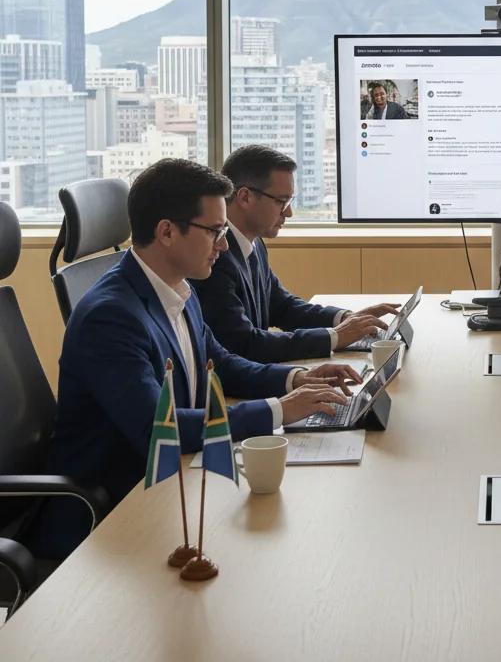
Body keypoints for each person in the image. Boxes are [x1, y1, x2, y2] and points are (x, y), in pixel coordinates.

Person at [35, 159, 361, 557]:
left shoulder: (178, 289)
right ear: (167, 232)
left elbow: (220, 364)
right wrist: (279, 410)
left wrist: (295, 381)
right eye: (215, 231)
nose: (224, 245)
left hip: (169, 489)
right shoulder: (111, 316)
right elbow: (161, 431)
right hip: (109, 521)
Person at [192, 145, 400, 363]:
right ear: (245, 197)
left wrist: (346, 318)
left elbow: (283, 307)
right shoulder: (214, 258)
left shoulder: (254, 244)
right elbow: (243, 343)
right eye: (281, 201)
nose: (288, 212)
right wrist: (335, 337)